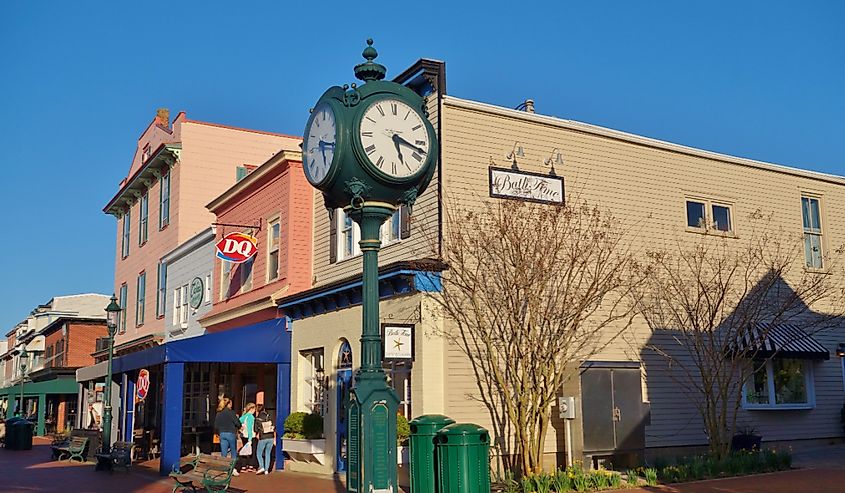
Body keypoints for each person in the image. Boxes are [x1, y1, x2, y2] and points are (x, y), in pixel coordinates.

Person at [214, 398, 241, 476]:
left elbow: (216, 425)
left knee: (224, 452)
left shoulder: (219, 413)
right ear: (228, 404)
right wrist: (239, 426)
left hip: (222, 433)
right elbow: (237, 423)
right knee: (233, 452)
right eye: (231, 403)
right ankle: (233, 469)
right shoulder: (231, 412)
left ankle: (224, 468)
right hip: (231, 433)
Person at [253, 404, 275, 474]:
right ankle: (266, 470)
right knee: (268, 453)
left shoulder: (257, 418)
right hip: (271, 437)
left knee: (259, 453)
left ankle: (261, 466)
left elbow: (255, 430)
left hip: (263, 437)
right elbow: (274, 426)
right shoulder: (269, 416)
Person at [238, 403, 258, 472]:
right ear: (251, 409)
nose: (255, 411)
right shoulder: (250, 417)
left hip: (244, 436)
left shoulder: (244, 416)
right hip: (250, 436)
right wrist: (250, 439)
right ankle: (251, 466)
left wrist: (240, 430)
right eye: (254, 409)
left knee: (245, 451)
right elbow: (250, 428)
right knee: (252, 451)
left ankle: (243, 466)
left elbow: (238, 422)